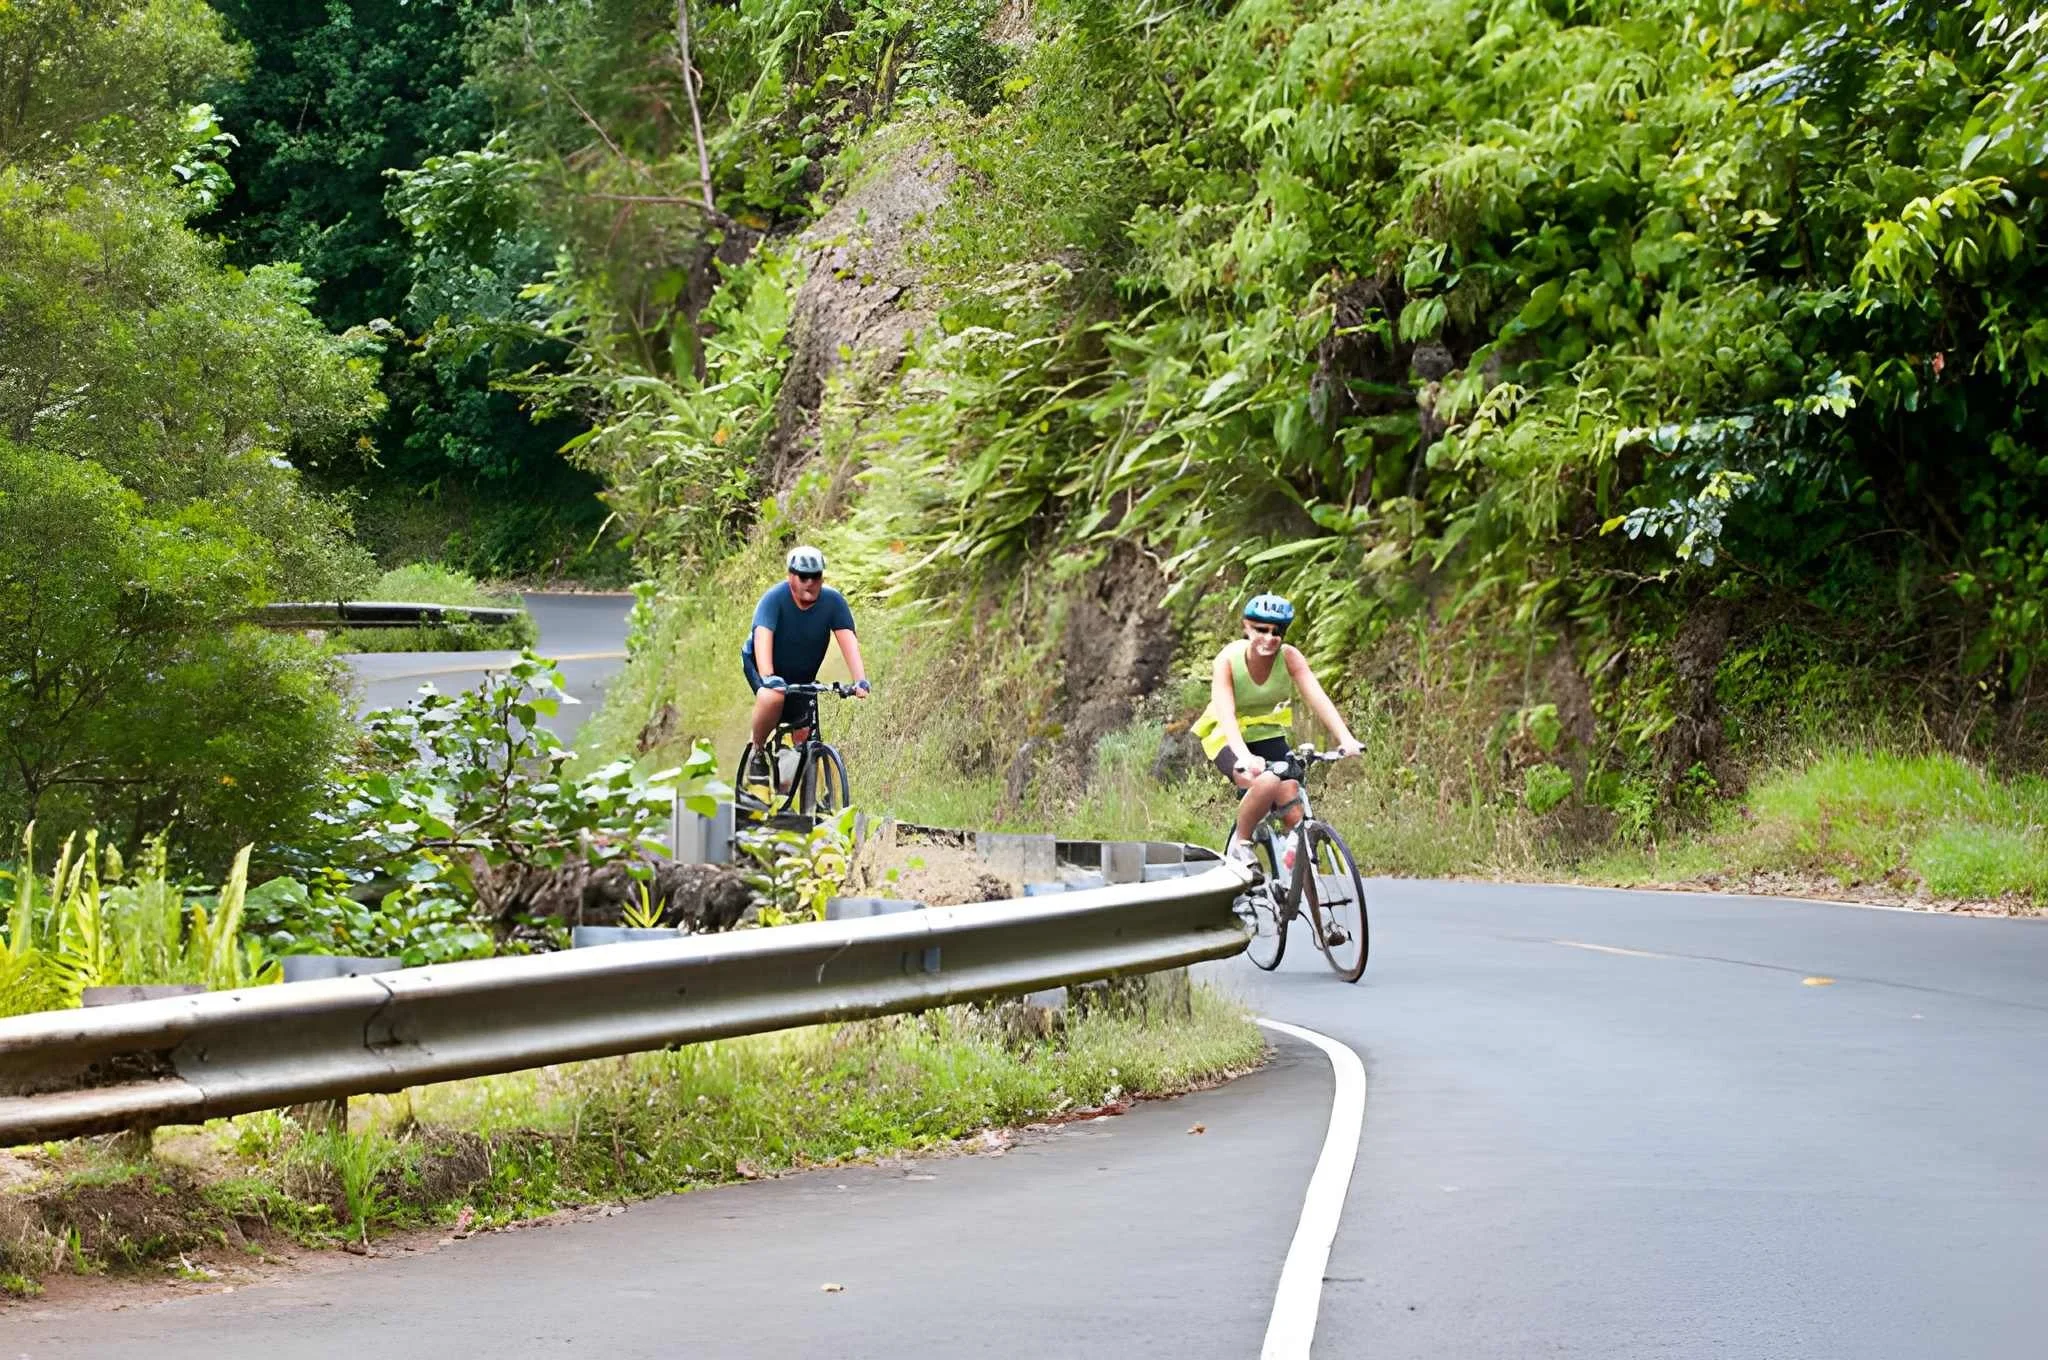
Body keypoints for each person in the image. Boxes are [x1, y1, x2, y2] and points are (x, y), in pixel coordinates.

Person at [1192, 593, 1362, 868]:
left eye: (1277, 631)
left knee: (1292, 794)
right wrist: (1244, 757)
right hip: (1226, 734)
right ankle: (1241, 843)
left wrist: (1345, 738)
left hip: (1266, 732)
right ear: (1247, 626)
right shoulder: (1228, 660)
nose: (1269, 638)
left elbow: (1317, 698)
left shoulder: (1290, 658)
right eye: (1261, 629)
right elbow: (1225, 714)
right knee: (1267, 781)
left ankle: (1305, 889)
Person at [741, 546, 870, 784]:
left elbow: (848, 640)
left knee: (803, 735)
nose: (809, 582)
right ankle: (757, 751)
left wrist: (860, 680)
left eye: (816, 577)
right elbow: (762, 638)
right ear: (791, 576)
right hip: (764, 666)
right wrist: (768, 676)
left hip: (802, 676)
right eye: (803, 576)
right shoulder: (774, 599)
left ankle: (790, 795)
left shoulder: (833, 602)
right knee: (773, 697)